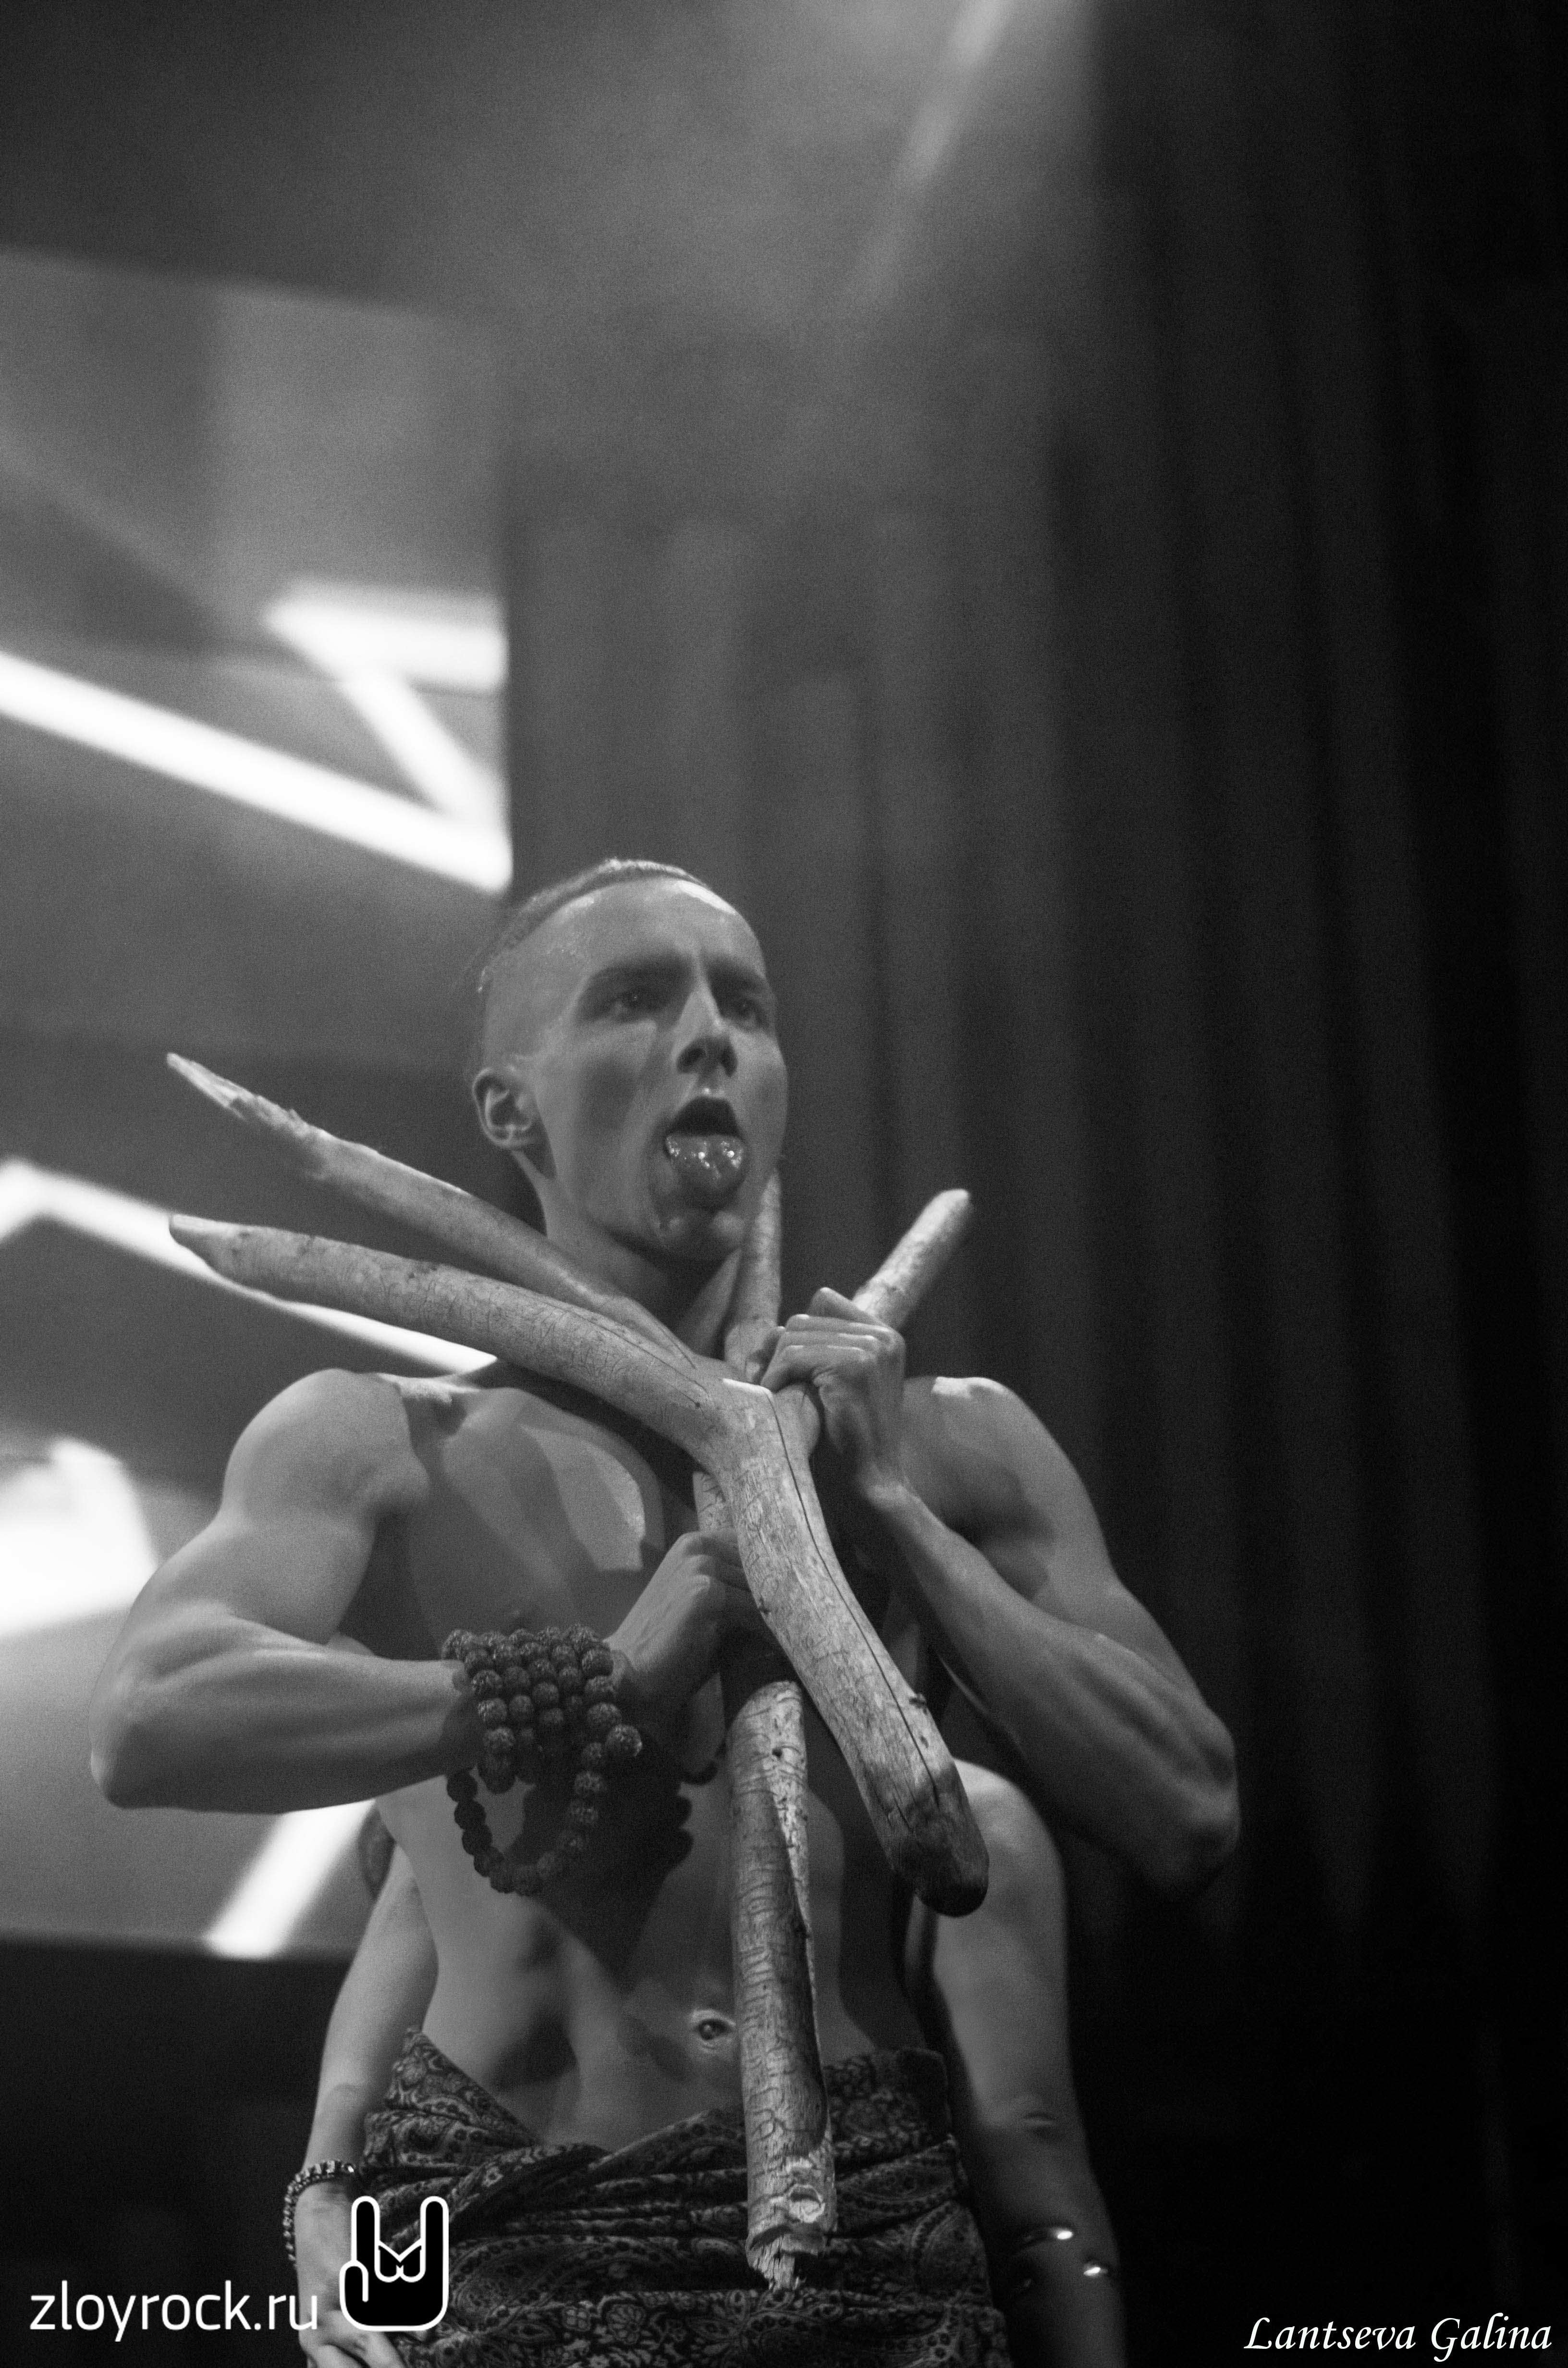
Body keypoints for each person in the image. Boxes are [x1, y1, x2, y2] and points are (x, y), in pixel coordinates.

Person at [91, 858, 1237, 2364]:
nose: (710, 1036)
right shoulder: (384, 1441)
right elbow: (149, 1718)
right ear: (512, 1111)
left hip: (872, 2257)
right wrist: (586, 1685)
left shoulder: (953, 1446)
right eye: (636, 999)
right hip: (506, 2242)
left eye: (745, 1008)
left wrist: (888, 1509)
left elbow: (1187, 1808)